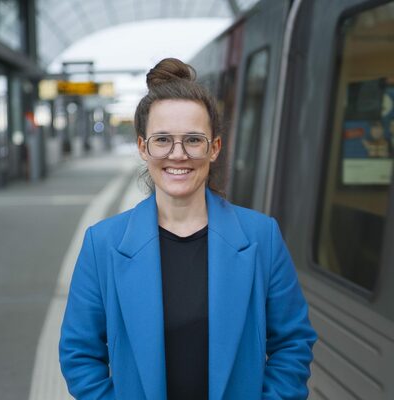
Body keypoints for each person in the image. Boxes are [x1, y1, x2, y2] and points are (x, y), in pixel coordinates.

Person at [59, 58, 317, 400]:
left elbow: (293, 343)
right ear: (143, 147)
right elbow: (79, 353)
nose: (178, 155)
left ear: (214, 148)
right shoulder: (102, 244)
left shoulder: (262, 237)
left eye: (193, 140)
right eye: (162, 139)